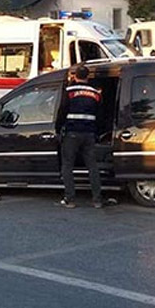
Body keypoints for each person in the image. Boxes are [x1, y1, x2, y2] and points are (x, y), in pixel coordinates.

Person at [60, 65, 102, 209]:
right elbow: (100, 113)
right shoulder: (95, 93)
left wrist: (59, 128)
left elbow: (62, 111)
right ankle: (97, 200)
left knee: (67, 166)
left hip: (72, 132)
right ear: (87, 76)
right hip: (89, 133)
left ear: (75, 76)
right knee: (92, 166)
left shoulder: (69, 91)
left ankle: (70, 199)